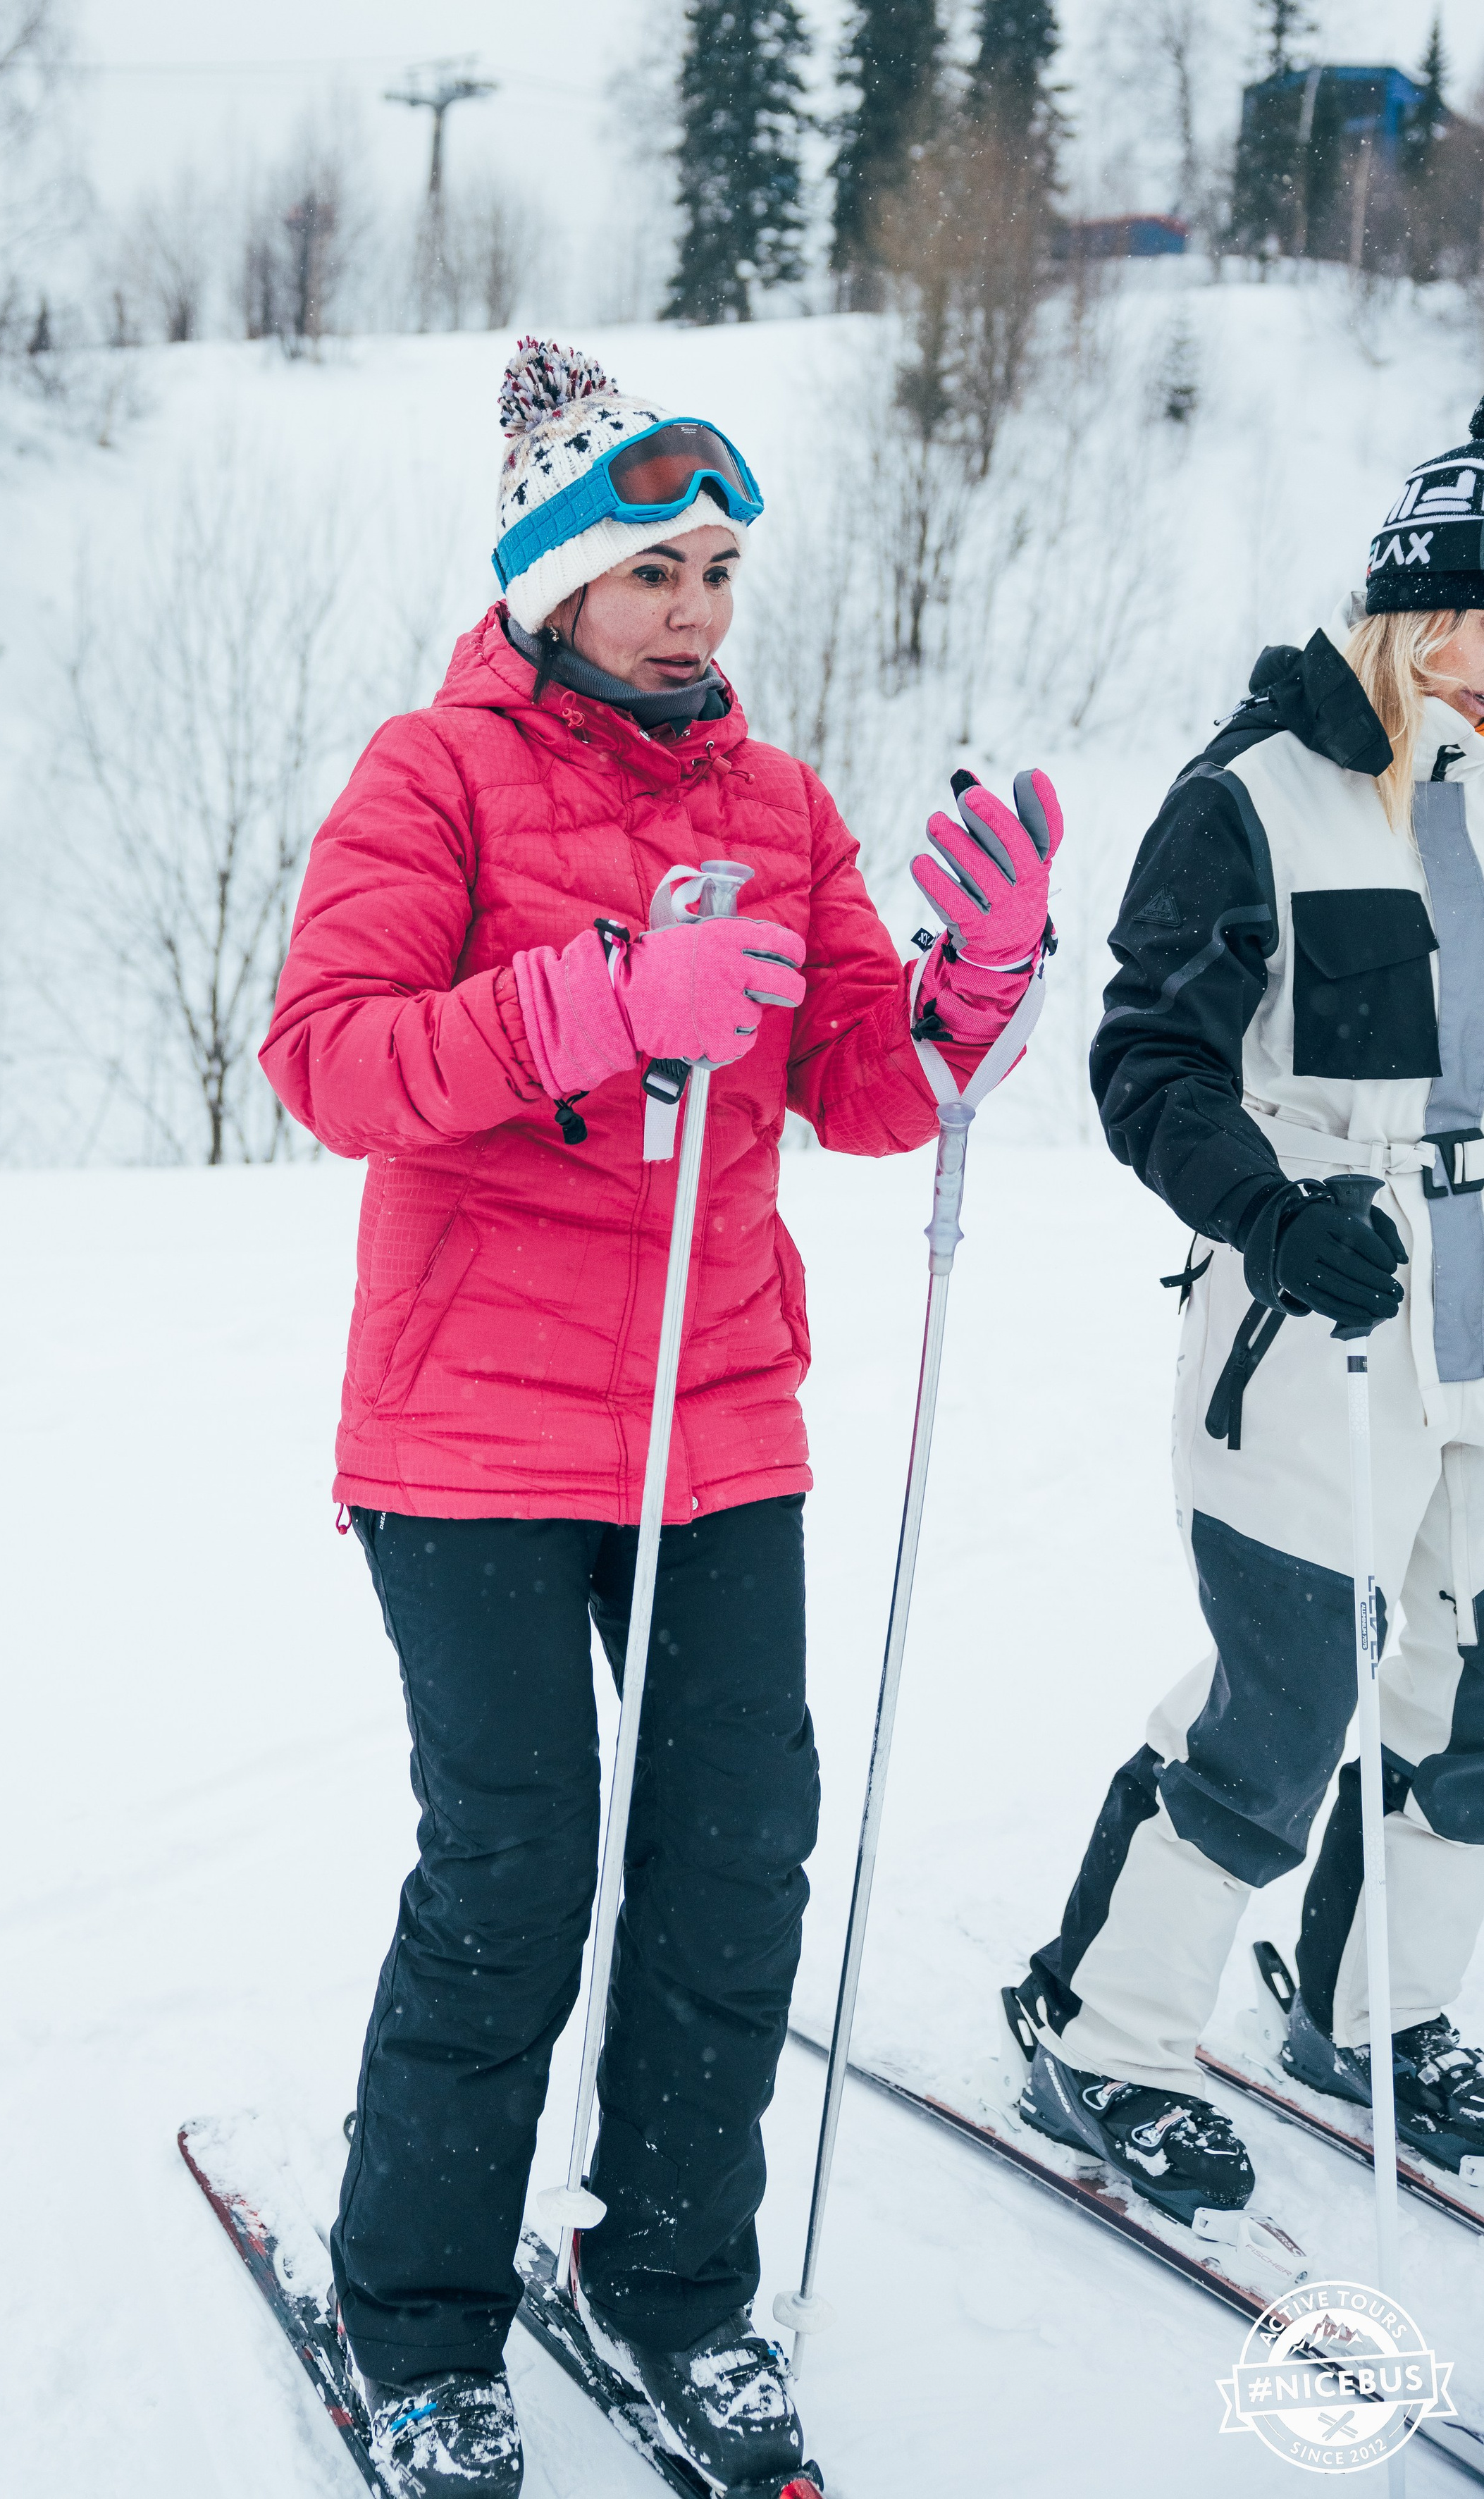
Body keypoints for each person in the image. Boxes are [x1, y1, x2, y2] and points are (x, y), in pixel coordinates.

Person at [263, 338, 1058, 2499]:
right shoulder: (429, 775)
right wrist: (595, 1002)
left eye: (716, 568)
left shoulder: (777, 807)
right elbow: (329, 1057)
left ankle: (677, 2278)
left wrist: (967, 991)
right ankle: (418, 2311)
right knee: (517, 1867)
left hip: (719, 1424)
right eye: (652, 570)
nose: (697, 608)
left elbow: (871, 1089)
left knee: (731, 1863)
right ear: (552, 587)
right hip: (472, 1437)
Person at [1008, 403, 1484, 2223]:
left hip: (1480, 1338)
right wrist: (1273, 1214)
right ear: (1433, 613)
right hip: (1318, 1334)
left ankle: (1378, 2019)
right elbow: (1145, 1061)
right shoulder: (1257, 793)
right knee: (1277, 1713)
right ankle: (1103, 2029)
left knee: (1472, 1707)